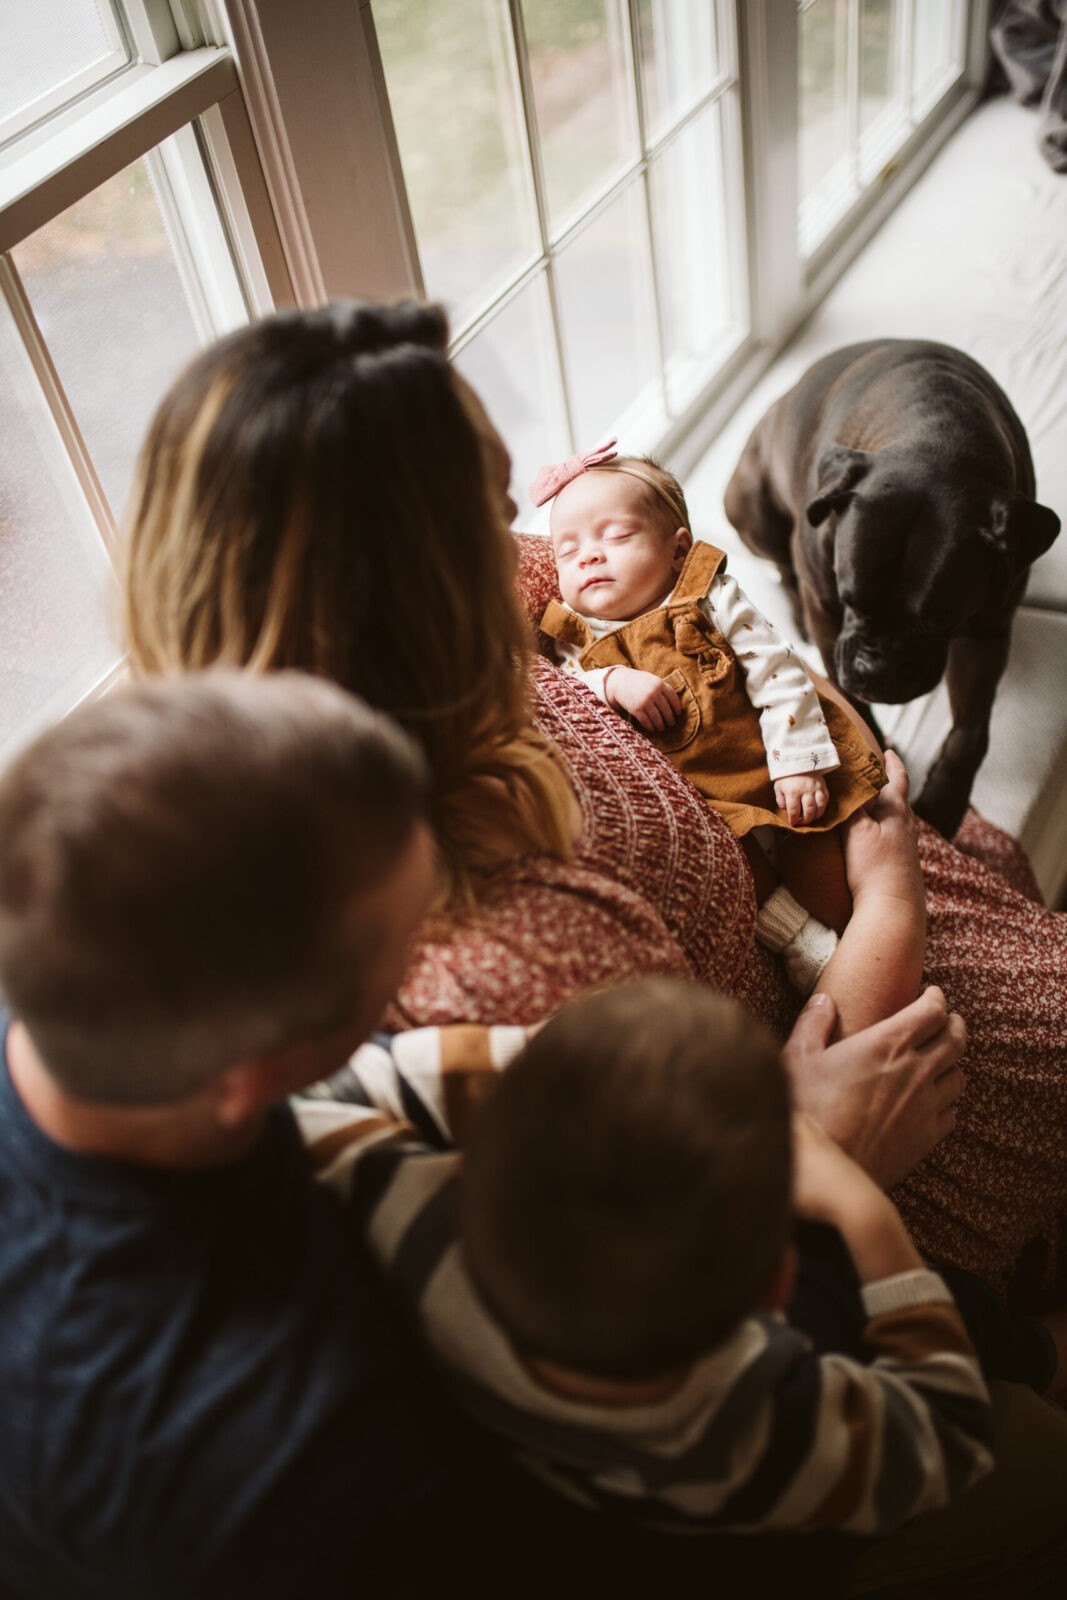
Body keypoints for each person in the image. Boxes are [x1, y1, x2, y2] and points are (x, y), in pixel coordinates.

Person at [532, 440, 886, 983]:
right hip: (712, 807)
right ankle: (804, 948)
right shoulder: (576, 636)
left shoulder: (710, 598)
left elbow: (777, 671)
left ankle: (863, 951)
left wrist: (797, 762)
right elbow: (568, 687)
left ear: (677, 550)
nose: (589, 556)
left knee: (822, 865)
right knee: (741, 876)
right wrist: (611, 680)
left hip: (771, 769)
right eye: (567, 550)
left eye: (616, 535)